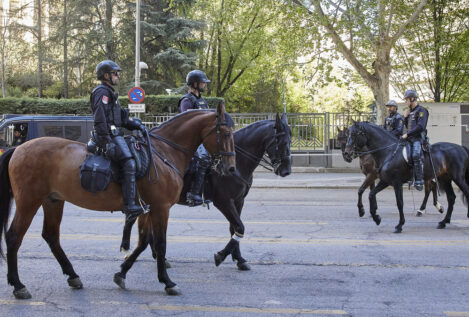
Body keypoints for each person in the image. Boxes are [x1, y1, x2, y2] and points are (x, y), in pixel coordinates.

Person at [90, 60, 146, 220]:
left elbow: (120, 118)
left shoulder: (109, 92)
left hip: (114, 134)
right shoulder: (101, 92)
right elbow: (100, 119)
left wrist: (136, 125)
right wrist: (107, 141)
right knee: (129, 162)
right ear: (106, 75)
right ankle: (129, 204)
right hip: (106, 136)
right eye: (115, 73)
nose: (118, 76)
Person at [178, 70, 212, 206]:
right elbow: (187, 122)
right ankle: (194, 194)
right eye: (203, 82)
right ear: (195, 84)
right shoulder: (186, 101)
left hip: (203, 139)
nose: (205, 85)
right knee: (203, 159)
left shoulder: (202, 101)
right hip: (189, 141)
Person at [402, 89, 429, 191]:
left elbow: (420, 127)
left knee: (416, 155)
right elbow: (407, 126)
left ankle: (419, 180)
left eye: (407, 100)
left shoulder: (422, 111)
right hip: (409, 139)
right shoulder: (410, 112)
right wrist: (405, 117)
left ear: (412, 99)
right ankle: (409, 178)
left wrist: (407, 134)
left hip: (418, 139)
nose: (406, 102)